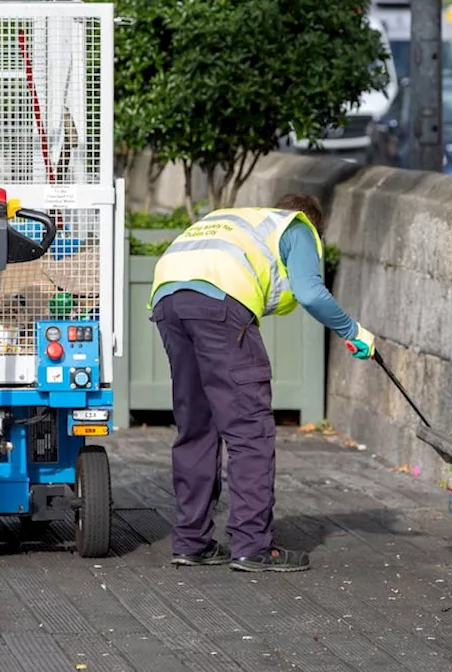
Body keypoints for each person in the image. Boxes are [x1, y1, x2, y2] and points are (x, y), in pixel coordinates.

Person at [147, 194, 376, 572]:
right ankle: (252, 545)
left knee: (196, 427)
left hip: (167, 298)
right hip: (220, 303)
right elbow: (309, 291)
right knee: (249, 429)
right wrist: (353, 331)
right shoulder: (297, 226)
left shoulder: (236, 220)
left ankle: (192, 541)